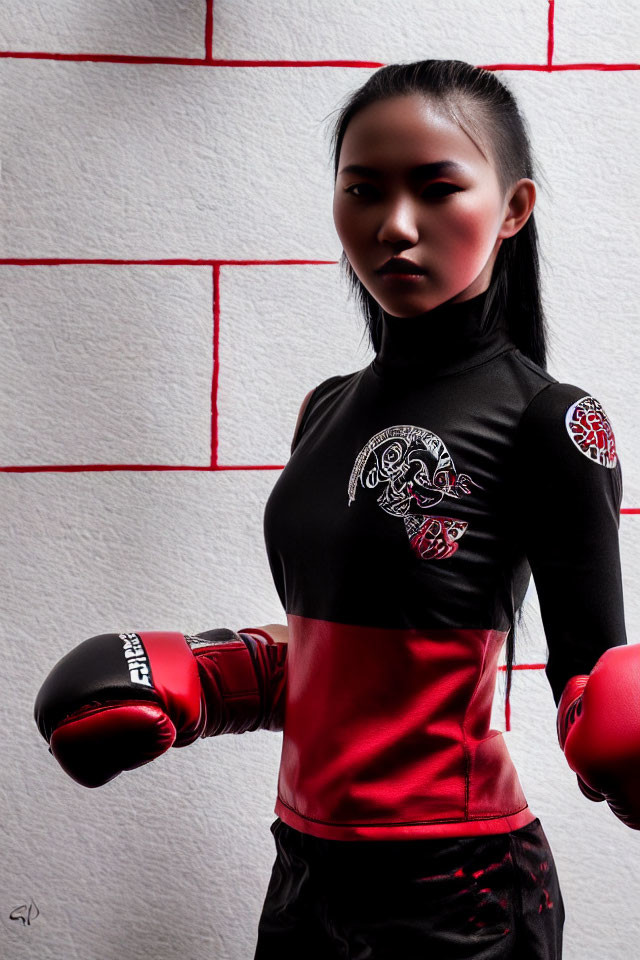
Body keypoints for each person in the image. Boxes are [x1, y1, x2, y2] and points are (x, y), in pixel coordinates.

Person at [33, 59, 640, 959]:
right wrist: (210, 680)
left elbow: (594, 689)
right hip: (305, 868)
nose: (396, 225)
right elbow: (335, 657)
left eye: (438, 189)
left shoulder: (551, 419)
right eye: (364, 190)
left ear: (512, 209)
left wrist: (621, 741)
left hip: (458, 888)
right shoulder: (326, 406)